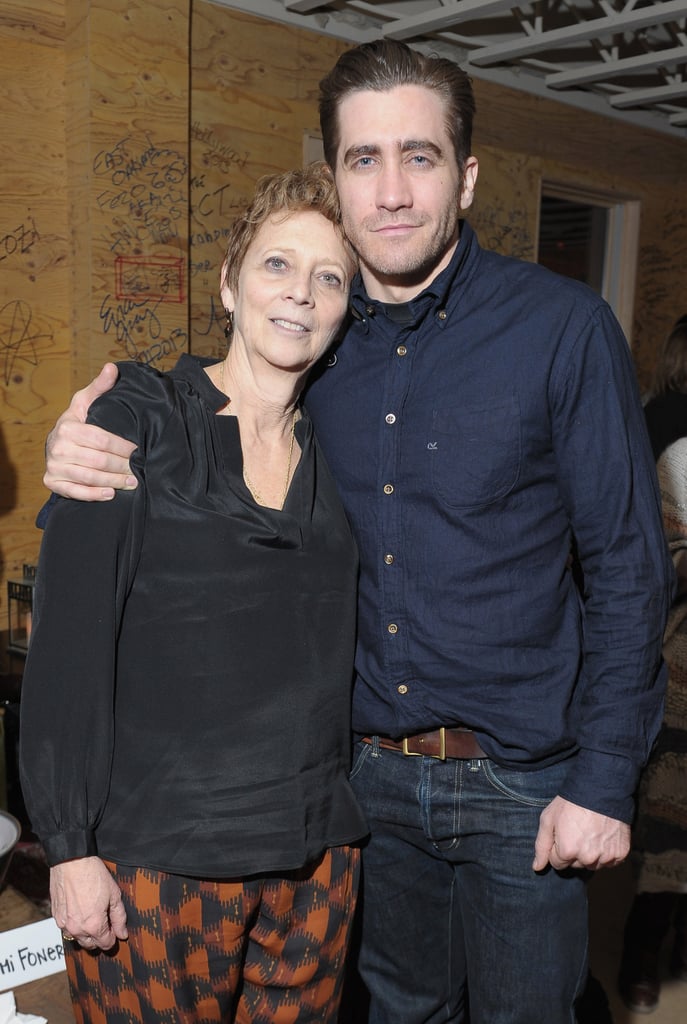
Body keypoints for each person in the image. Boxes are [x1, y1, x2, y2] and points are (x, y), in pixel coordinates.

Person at [40, 39, 673, 1024]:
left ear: (464, 177)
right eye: (362, 160)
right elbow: (201, 412)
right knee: (400, 1011)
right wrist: (83, 440)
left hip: (521, 784)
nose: (390, 191)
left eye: (418, 157)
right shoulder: (316, 351)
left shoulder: (561, 328)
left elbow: (630, 565)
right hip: (362, 786)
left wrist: (605, 778)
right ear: (334, 173)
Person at [19, 162, 367, 1024]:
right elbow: (67, 651)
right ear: (228, 284)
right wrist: (68, 848)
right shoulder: (140, 421)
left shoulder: (344, 453)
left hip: (317, 858)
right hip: (159, 863)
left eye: (329, 277)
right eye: (277, 266)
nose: (301, 294)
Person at [617, 315, 687, 1014]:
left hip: (659, 650)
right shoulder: (670, 433)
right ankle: (645, 962)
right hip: (673, 651)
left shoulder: (644, 419)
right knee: (668, 818)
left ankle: (648, 963)